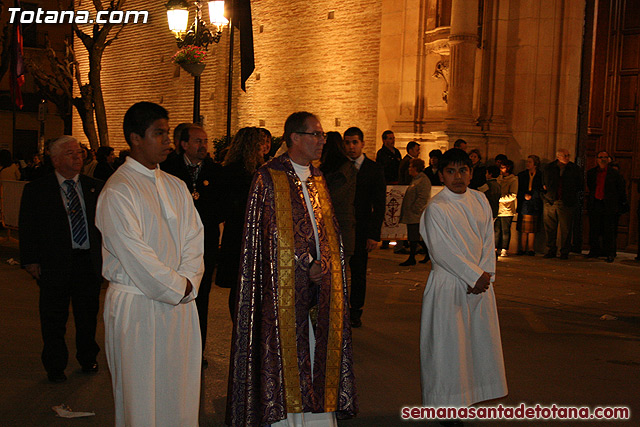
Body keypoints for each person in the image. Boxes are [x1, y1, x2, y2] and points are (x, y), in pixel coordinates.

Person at [226, 112, 357, 426]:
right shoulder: (267, 177)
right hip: (281, 292)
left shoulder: (318, 177)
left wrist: (327, 263)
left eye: (322, 135)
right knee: (286, 357)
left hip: (319, 289)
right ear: (295, 138)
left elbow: (327, 230)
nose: (322, 141)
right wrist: (304, 263)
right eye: (316, 134)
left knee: (317, 353)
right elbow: (269, 236)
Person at [96, 102, 205, 426]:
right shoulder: (118, 191)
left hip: (181, 306)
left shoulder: (176, 185)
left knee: (179, 391)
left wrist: (189, 283)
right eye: (159, 133)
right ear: (135, 138)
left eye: (168, 133)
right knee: (140, 398)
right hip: (137, 305)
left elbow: (194, 240)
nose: (167, 140)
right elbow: (134, 255)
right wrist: (178, 286)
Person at [419, 148, 507, 414]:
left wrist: (485, 274)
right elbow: (442, 251)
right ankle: (444, 406)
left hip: (479, 284)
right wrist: (472, 275)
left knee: (474, 345)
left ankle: (468, 398)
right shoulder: (437, 207)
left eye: (463, 170)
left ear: (471, 172)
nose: (457, 176)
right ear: (441, 175)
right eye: (450, 171)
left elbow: (487, 239)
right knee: (448, 348)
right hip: (448, 284)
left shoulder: (480, 200)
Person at [19, 135, 103, 383]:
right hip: (53, 264)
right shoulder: (37, 190)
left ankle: (88, 357)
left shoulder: (96, 187)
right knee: (53, 318)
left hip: (87, 262)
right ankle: (55, 365)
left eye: (79, 152)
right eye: (70, 153)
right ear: (55, 159)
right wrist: (30, 260)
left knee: (87, 316)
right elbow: (28, 227)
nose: (77, 157)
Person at [161, 123, 224, 365]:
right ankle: (171, 347)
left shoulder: (216, 172)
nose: (203, 146)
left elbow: (221, 205)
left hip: (204, 243)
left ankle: (197, 349)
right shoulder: (167, 170)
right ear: (184, 144)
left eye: (206, 141)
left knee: (201, 296)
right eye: (198, 141)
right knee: (173, 294)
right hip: (173, 243)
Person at [216, 127, 267, 319]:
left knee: (244, 285)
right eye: (260, 143)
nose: (264, 147)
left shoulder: (254, 171)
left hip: (240, 233)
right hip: (241, 235)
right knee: (240, 285)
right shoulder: (240, 173)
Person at [344, 126, 386, 328]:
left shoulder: (373, 168)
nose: (351, 147)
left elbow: (379, 205)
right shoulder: (341, 167)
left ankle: (356, 310)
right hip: (343, 228)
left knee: (359, 271)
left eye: (354, 142)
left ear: (362, 144)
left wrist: (374, 235)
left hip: (362, 229)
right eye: (347, 142)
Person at [320, 131, 357, 257]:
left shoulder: (340, 170)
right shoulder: (347, 168)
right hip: (342, 222)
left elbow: (334, 196)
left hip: (335, 222)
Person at [586, 151, 627, 263]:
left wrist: (619, 204)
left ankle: (610, 253)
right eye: (600, 157)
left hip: (609, 205)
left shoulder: (615, 174)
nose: (603, 159)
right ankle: (594, 251)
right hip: (596, 203)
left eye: (605, 157)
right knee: (594, 228)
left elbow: (620, 190)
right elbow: (591, 187)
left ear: (608, 159)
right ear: (597, 159)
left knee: (609, 230)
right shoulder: (591, 173)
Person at [542, 148, 583, 259]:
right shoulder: (549, 168)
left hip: (567, 202)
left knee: (566, 228)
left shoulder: (574, 169)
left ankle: (564, 251)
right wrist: (546, 196)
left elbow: (579, 185)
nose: (567, 157)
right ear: (558, 156)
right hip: (550, 201)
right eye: (564, 155)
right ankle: (550, 249)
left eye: (568, 155)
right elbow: (543, 183)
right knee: (550, 227)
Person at [399, 158, 431, 266]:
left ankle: (412, 257)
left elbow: (422, 197)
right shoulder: (416, 179)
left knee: (414, 237)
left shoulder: (422, 180)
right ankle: (428, 254)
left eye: (410, 166)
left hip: (416, 214)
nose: (409, 169)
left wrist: (415, 209)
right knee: (416, 236)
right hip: (412, 214)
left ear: (415, 168)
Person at [516, 155, 543, 256]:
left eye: (530, 162)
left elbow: (541, 189)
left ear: (535, 164)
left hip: (535, 204)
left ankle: (531, 248)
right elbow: (518, 189)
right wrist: (524, 195)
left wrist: (533, 195)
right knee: (523, 228)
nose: (527, 164)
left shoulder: (540, 175)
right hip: (524, 203)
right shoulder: (522, 175)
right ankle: (522, 248)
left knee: (532, 229)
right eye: (527, 162)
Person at [496, 159, 518, 257]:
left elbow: (513, 195)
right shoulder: (498, 178)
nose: (501, 169)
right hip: (497, 209)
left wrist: (499, 199)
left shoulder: (513, 180)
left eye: (503, 167)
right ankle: (495, 248)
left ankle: (505, 248)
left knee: (505, 230)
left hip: (507, 209)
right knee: (496, 230)